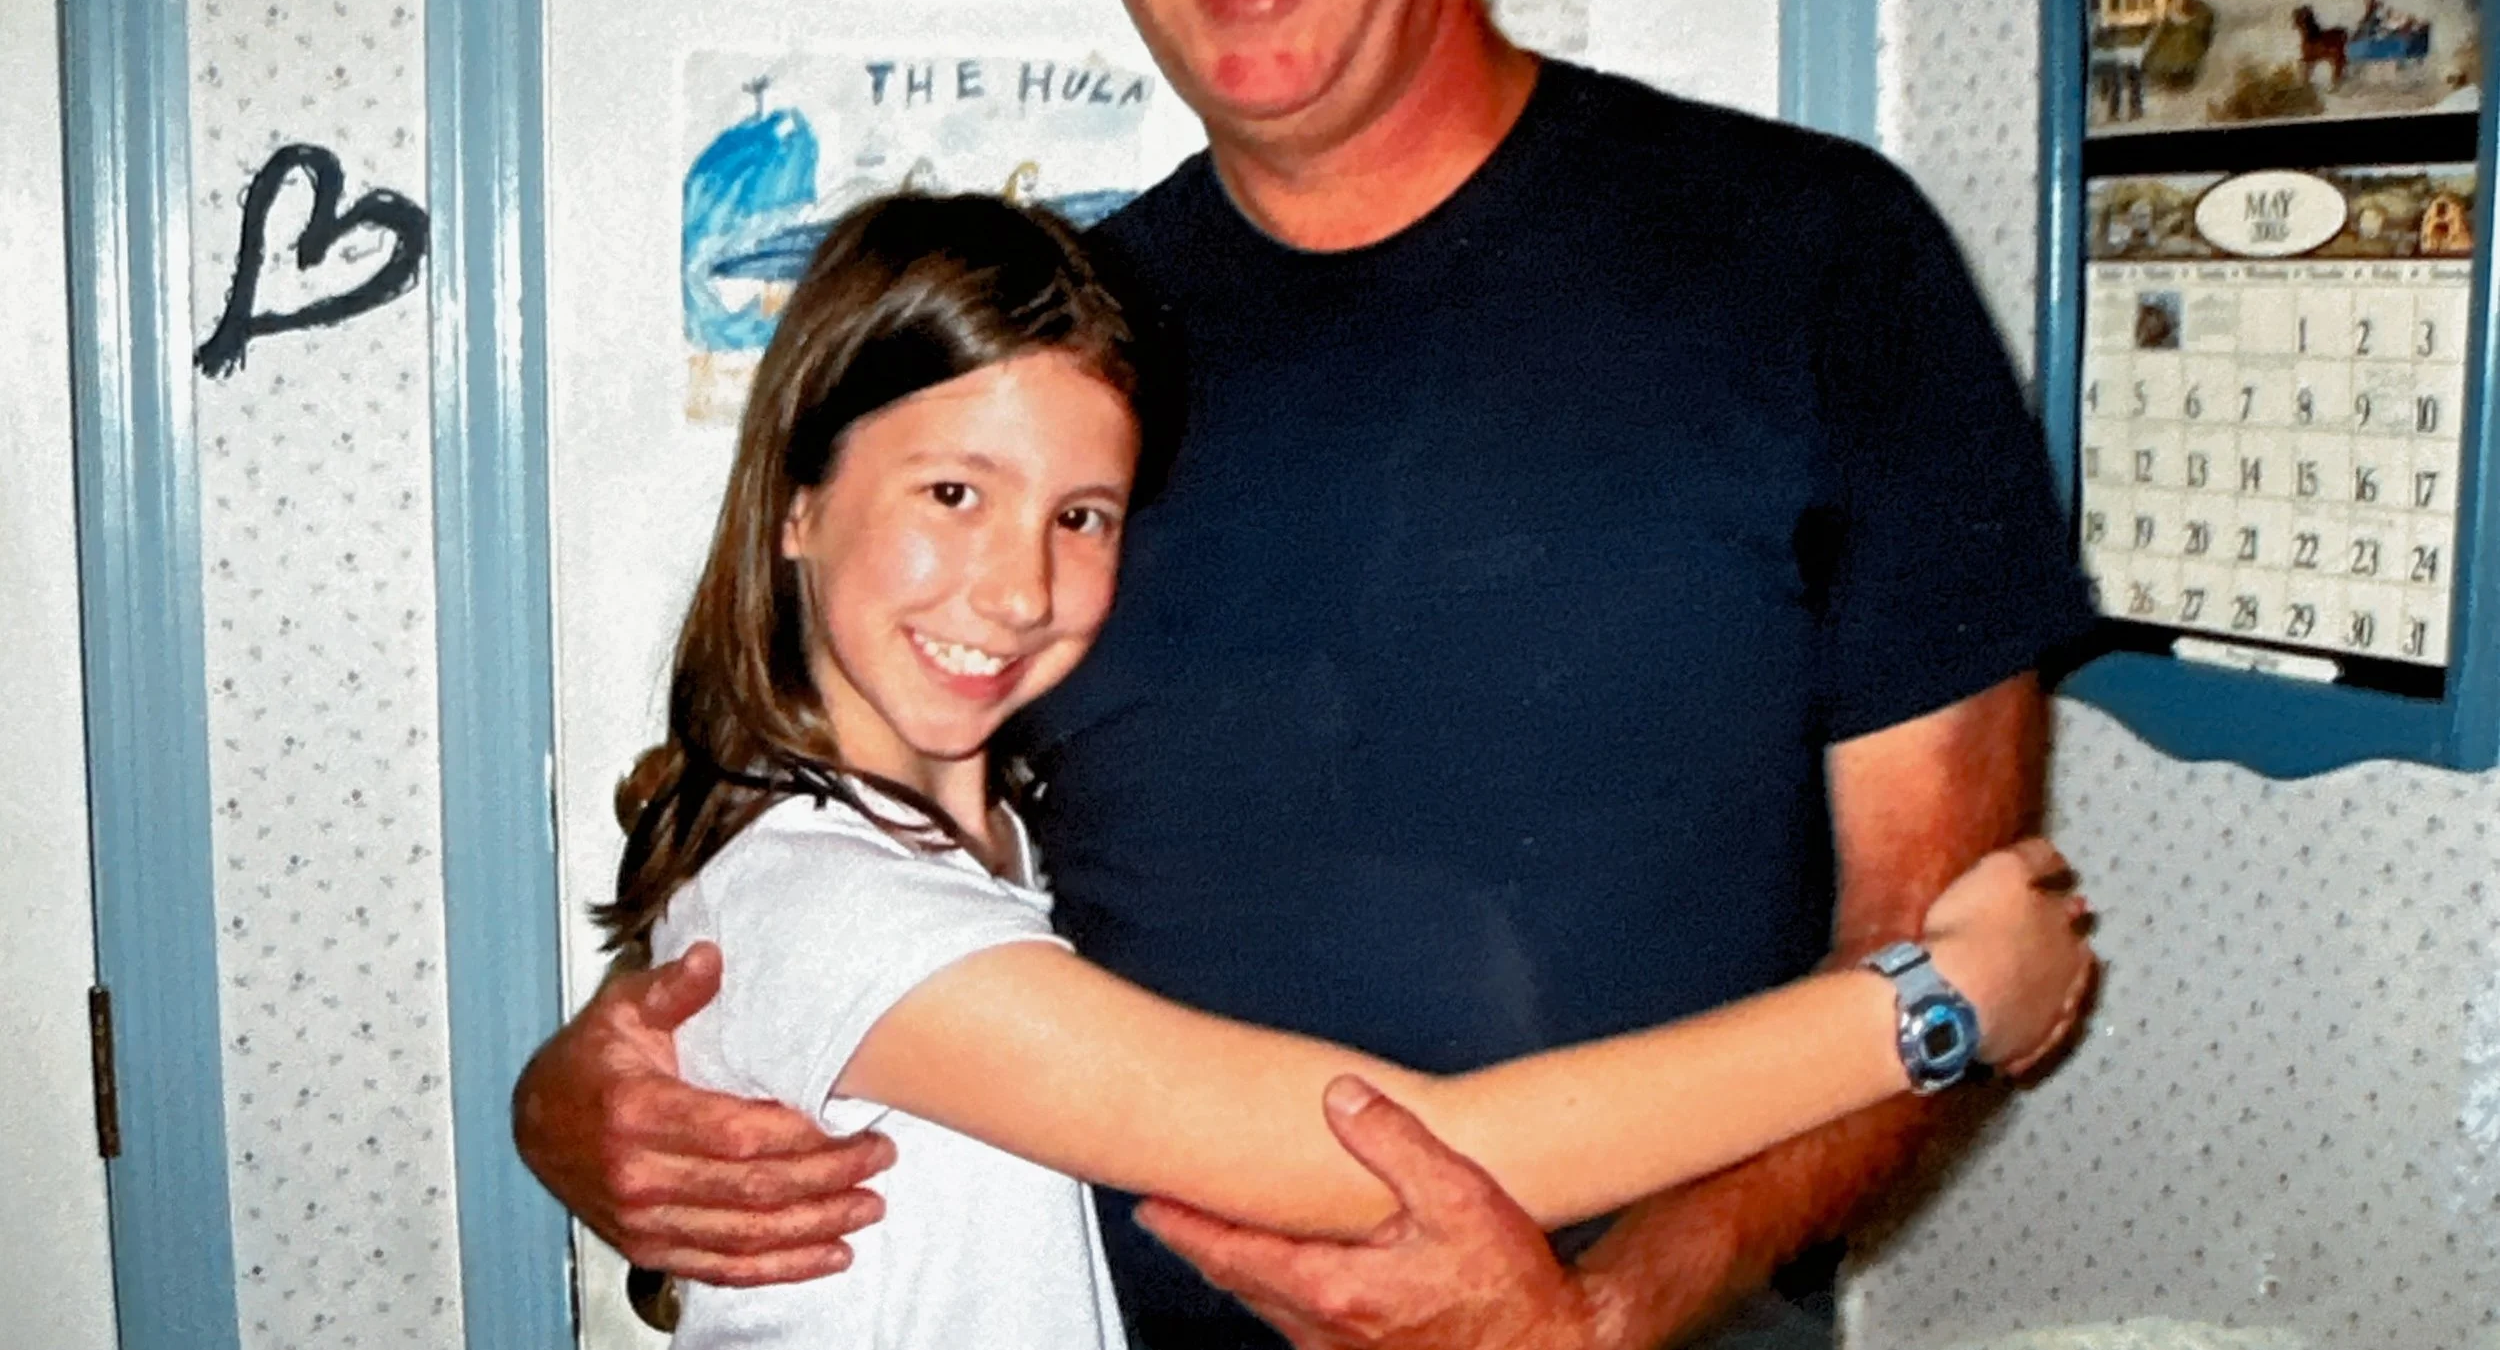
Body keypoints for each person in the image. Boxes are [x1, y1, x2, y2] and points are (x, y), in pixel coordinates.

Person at [513, 0, 2102, 1344]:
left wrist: (1606, 1313)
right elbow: (831, 855)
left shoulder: (1819, 265)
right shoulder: (1065, 383)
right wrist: (591, 1100)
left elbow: (1940, 938)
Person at [601, 189, 2092, 1350]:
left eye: (1084, 517)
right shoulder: (837, 905)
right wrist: (1929, 1005)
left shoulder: (979, 839)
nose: (1015, 588)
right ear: (795, 504)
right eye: (951, 492)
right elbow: (1391, 1151)